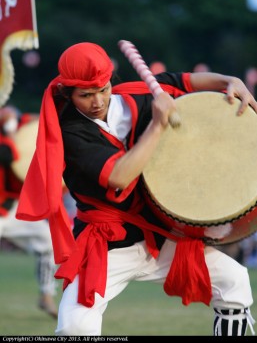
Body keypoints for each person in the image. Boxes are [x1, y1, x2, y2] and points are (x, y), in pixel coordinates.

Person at [16, 42, 257, 336]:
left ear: (110, 80)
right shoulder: (69, 132)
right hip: (108, 244)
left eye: (103, 89)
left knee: (234, 281)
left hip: (160, 233)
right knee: (75, 324)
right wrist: (157, 125)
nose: (97, 101)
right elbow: (120, 175)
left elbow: (185, 82)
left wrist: (231, 82)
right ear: (68, 92)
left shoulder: (139, 93)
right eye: (85, 95)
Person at [0, 105, 58, 319]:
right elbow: (10, 154)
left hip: (10, 209)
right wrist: (10, 130)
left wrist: (16, 117)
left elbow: (34, 118)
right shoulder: (7, 139)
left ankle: (46, 296)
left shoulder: (13, 121)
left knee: (49, 243)